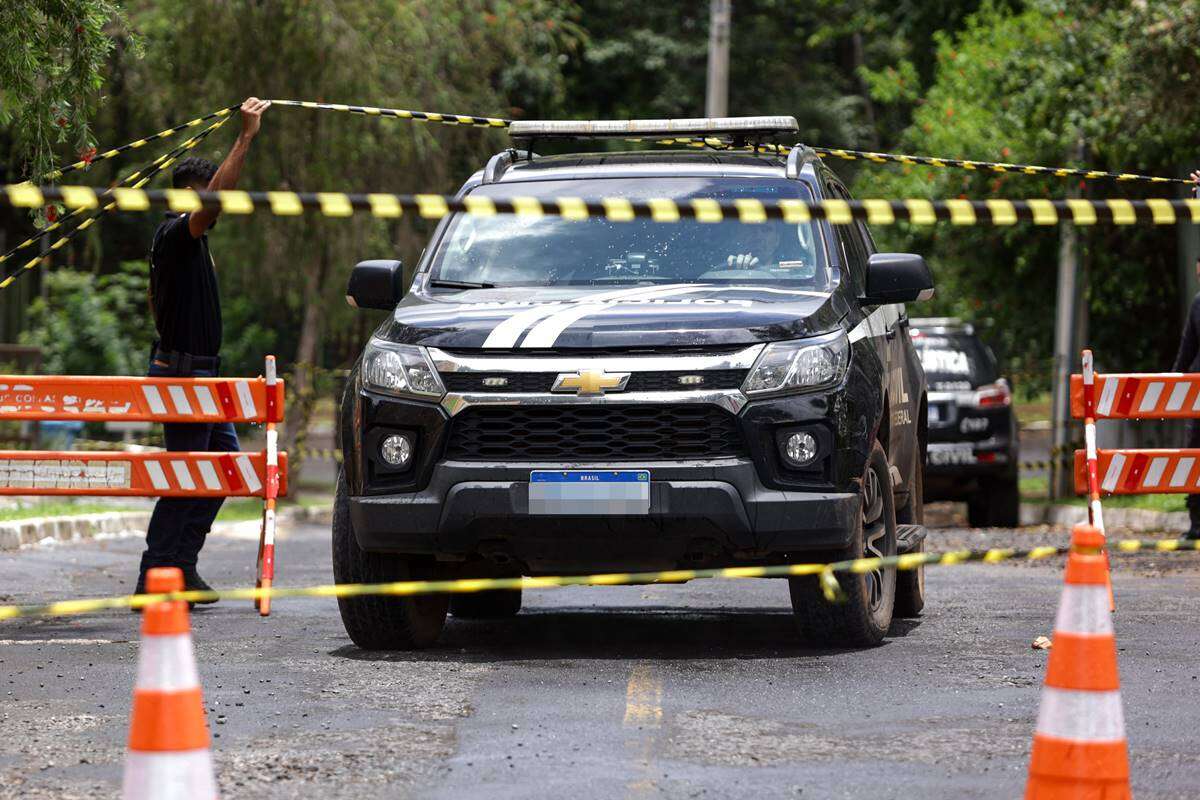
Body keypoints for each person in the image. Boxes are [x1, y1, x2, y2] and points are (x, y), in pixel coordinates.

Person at [135, 97, 271, 598]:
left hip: (203, 375)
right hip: (186, 377)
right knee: (187, 477)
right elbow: (212, 203)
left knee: (224, 473)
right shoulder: (175, 233)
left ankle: (182, 565)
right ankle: (156, 574)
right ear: (192, 195)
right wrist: (246, 138)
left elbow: (154, 302)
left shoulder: (187, 246)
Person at [1175, 169, 1200, 539]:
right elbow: (1184, 354)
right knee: (1194, 453)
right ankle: (1196, 522)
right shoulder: (1198, 304)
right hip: (1197, 392)